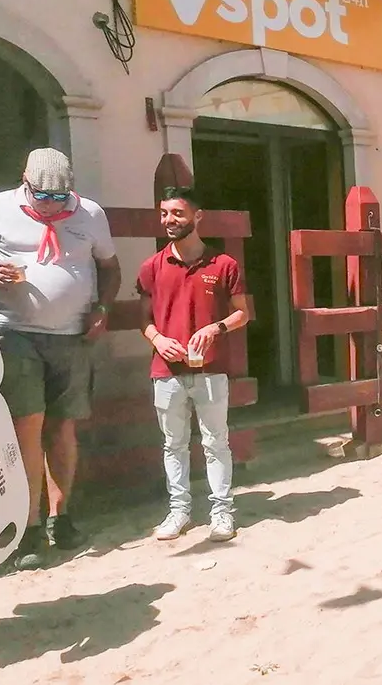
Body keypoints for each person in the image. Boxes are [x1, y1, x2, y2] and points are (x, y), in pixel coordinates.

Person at [0, 148, 122, 570]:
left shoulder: (89, 213)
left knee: (62, 428)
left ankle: (60, 516)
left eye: (59, 197)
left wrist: (102, 308)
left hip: (72, 336)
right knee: (25, 428)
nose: (51, 205)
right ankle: (28, 527)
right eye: (42, 196)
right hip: (14, 332)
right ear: (24, 181)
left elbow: (110, 268)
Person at [136, 187, 250, 543]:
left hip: (211, 369)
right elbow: (144, 320)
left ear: (197, 217)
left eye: (178, 214)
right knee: (174, 444)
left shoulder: (224, 264)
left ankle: (222, 513)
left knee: (217, 442)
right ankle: (179, 511)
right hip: (166, 372)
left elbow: (244, 313)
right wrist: (157, 339)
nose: (169, 220)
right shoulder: (151, 267)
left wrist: (215, 328)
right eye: (165, 213)